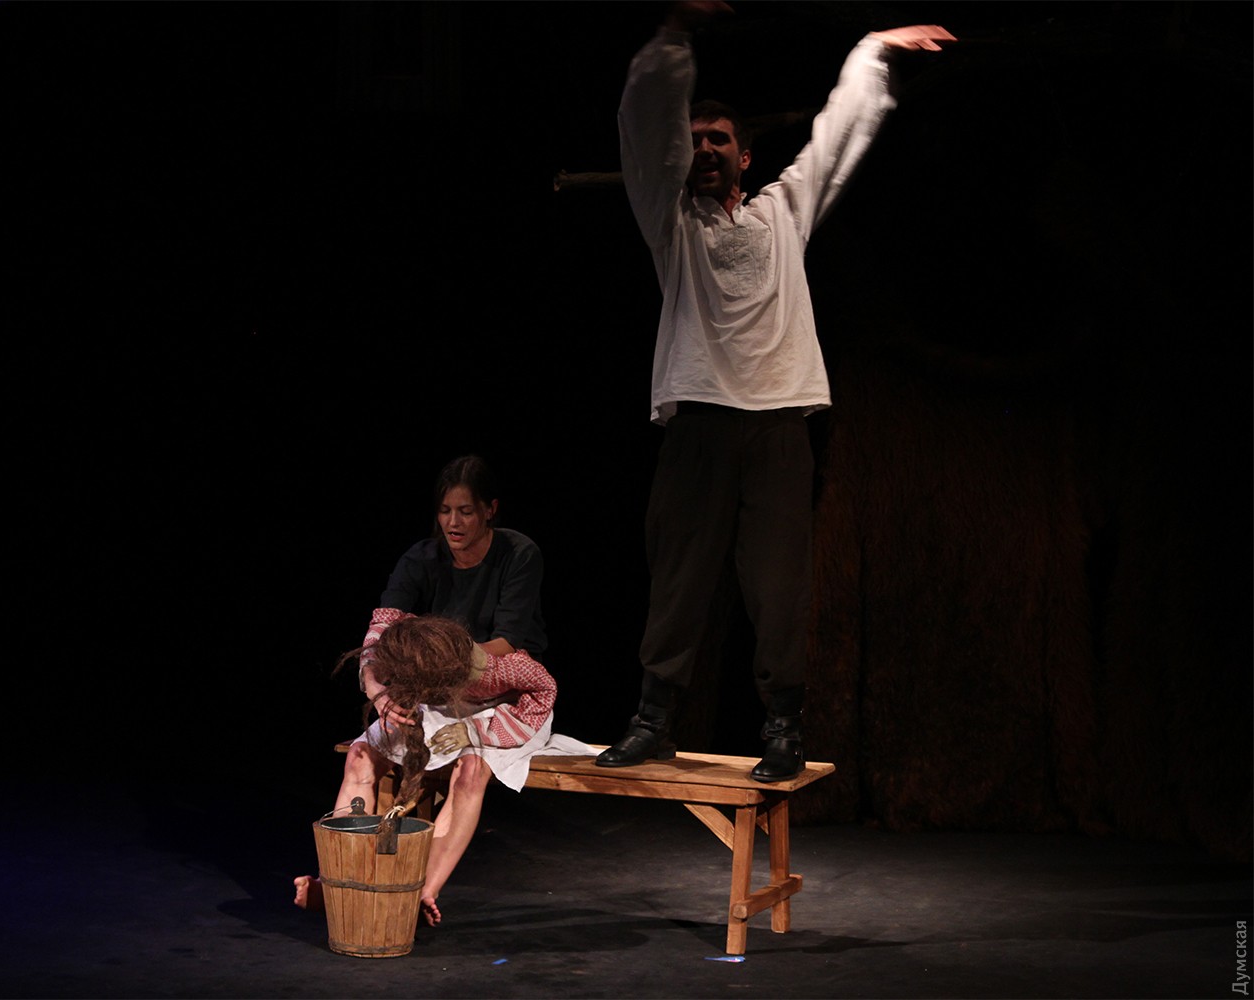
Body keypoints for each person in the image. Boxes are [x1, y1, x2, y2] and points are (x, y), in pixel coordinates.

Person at [596, 2, 954, 780]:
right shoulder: (672, 226)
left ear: (746, 157)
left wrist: (871, 52)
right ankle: (653, 719)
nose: (704, 148)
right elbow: (644, 127)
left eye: (719, 139)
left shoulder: (784, 214)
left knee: (778, 583)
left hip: (778, 422)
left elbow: (836, 138)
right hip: (699, 420)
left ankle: (784, 727)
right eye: (694, 140)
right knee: (680, 578)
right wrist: (673, 38)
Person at [294, 456, 591, 927]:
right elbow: (378, 635)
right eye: (445, 511)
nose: (454, 522)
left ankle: (420, 891)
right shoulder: (421, 558)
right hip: (437, 689)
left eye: (466, 511)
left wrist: (445, 667)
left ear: (490, 510)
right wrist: (380, 694)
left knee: (471, 770)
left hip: (503, 692)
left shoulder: (518, 554)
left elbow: (509, 644)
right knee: (361, 755)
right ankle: (340, 882)